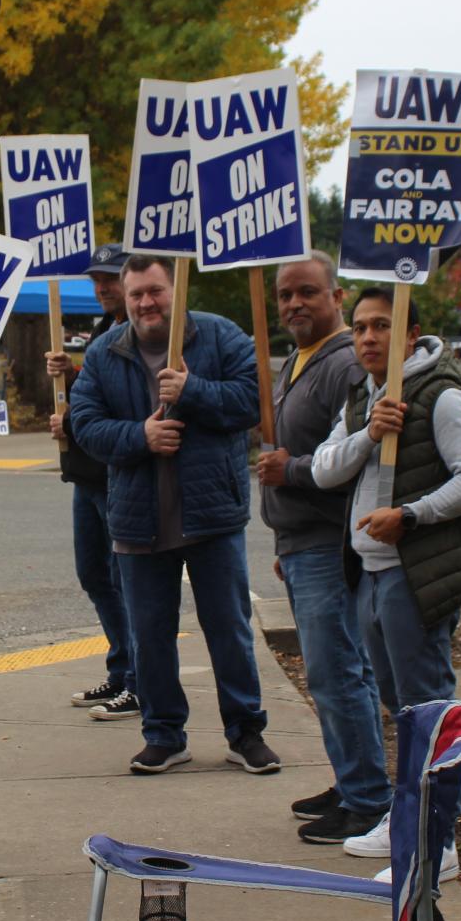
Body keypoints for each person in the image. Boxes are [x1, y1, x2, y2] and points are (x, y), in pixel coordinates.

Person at [67, 254, 281, 776]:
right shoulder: (103, 354)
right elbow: (85, 425)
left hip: (212, 516)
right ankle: (164, 734)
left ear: (175, 289)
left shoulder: (218, 336)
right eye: (137, 293)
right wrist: (141, 436)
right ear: (126, 295)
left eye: (156, 291)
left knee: (228, 628)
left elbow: (254, 402)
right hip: (139, 521)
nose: (147, 303)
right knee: (149, 633)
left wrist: (194, 391)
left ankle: (245, 732)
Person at [311, 285, 461, 876]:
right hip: (370, 573)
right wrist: (368, 431)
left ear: (410, 336)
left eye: (383, 327)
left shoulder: (440, 396)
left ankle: (436, 841)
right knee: (400, 706)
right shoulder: (362, 397)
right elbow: (323, 468)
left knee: (429, 707)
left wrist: (411, 515)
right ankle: (406, 816)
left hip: (415, 574)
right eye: (361, 327)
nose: (368, 337)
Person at [255, 253, 386, 845]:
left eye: (307, 292)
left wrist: (294, 471)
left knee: (338, 674)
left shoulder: (344, 366)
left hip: (331, 544)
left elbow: (359, 452)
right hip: (303, 541)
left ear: (337, 294)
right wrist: (287, 536)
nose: (293, 305)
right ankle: (351, 779)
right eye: (285, 295)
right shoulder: (299, 360)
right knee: (335, 671)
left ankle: (367, 801)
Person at [46, 243, 138, 720]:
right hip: (87, 473)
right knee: (95, 574)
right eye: (97, 281)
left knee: (125, 578)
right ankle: (123, 670)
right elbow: (94, 390)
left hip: (112, 471)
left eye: (111, 278)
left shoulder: (138, 332)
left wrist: (74, 419)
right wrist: (72, 377)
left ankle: (139, 680)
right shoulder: (106, 328)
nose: (103, 287)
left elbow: (119, 401)